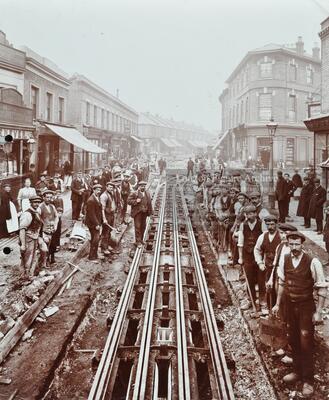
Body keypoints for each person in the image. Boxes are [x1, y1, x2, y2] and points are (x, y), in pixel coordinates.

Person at [272, 231, 327, 397]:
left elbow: (322, 289)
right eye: (291, 244)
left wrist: (318, 313)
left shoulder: (313, 262)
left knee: (305, 342)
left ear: (302, 244)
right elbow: (281, 283)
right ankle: (296, 371)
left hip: (305, 307)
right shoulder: (285, 259)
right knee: (292, 339)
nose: (294, 247)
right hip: (289, 305)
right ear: (287, 244)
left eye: (297, 244)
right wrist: (277, 304)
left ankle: (308, 380)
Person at [254, 215, 282, 312]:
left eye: (272, 224)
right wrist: (260, 263)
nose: (270, 227)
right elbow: (257, 250)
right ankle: (265, 306)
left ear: (276, 225)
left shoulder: (281, 237)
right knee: (264, 286)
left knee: (277, 288)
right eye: (268, 224)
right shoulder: (262, 237)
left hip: (278, 268)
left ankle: (277, 308)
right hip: (266, 267)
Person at [237, 204, 263, 312]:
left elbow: (264, 239)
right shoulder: (243, 225)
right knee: (249, 278)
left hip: (258, 255)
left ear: (255, 214)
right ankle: (250, 299)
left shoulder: (261, 224)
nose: (249, 216)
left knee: (260, 278)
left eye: (251, 213)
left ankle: (261, 301)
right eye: (247, 214)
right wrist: (240, 257)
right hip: (247, 254)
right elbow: (240, 242)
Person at [19, 195, 47, 278]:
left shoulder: (36, 212)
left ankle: (30, 274)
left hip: (34, 237)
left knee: (33, 256)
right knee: (27, 258)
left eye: (38, 202)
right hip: (28, 238)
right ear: (30, 203)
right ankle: (25, 276)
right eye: (35, 202)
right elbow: (22, 229)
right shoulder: (27, 214)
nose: (36, 204)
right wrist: (23, 244)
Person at [128, 181, 153, 247]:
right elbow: (128, 201)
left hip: (144, 212)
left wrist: (150, 213)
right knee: (137, 227)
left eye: (144, 186)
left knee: (143, 226)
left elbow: (149, 203)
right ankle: (138, 242)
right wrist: (136, 201)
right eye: (142, 186)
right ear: (139, 186)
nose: (143, 187)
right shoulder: (134, 193)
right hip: (137, 213)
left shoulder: (147, 193)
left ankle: (141, 240)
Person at [39, 190, 59, 264]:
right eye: (47, 197)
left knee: (53, 245)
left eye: (50, 197)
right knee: (45, 246)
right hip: (44, 230)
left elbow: (56, 216)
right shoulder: (40, 207)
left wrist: (55, 225)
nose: (49, 199)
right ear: (43, 198)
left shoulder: (52, 206)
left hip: (52, 229)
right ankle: (45, 261)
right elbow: (39, 219)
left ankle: (52, 259)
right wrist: (44, 225)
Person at [85, 184, 103, 262]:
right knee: (95, 239)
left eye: (100, 190)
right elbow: (91, 214)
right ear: (94, 190)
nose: (99, 191)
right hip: (93, 223)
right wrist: (96, 224)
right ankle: (91, 256)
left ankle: (94, 255)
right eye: (97, 190)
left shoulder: (97, 197)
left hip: (96, 222)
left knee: (95, 239)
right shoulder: (91, 200)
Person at [100, 181, 117, 256]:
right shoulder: (104, 196)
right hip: (107, 216)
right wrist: (104, 219)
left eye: (112, 187)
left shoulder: (111, 194)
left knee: (109, 231)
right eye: (109, 187)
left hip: (111, 215)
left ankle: (107, 245)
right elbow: (102, 209)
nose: (111, 188)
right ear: (106, 187)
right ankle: (104, 248)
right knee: (105, 232)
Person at [48, 190, 64, 264]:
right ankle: (48, 258)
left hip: (57, 220)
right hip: (50, 223)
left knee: (57, 235)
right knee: (50, 241)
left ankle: (52, 257)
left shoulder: (59, 200)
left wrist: (60, 214)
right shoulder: (50, 203)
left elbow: (61, 208)